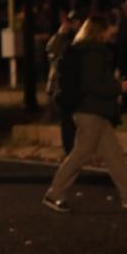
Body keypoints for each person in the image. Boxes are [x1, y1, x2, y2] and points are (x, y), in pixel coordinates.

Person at [42, 14, 127, 212]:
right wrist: (118, 87)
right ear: (99, 31)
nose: (111, 33)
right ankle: (54, 193)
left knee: (113, 155)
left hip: (93, 111)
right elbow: (94, 85)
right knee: (80, 155)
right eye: (107, 29)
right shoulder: (93, 54)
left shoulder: (83, 51)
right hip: (91, 111)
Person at [45, 11, 81, 154]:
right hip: (61, 87)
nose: (73, 25)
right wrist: (61, 32)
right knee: (67, 123)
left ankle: (73, 151)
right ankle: (70, 152)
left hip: (73, 86)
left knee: (73, 122)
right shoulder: (61, 40)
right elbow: (50, 49)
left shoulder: (78, 40)